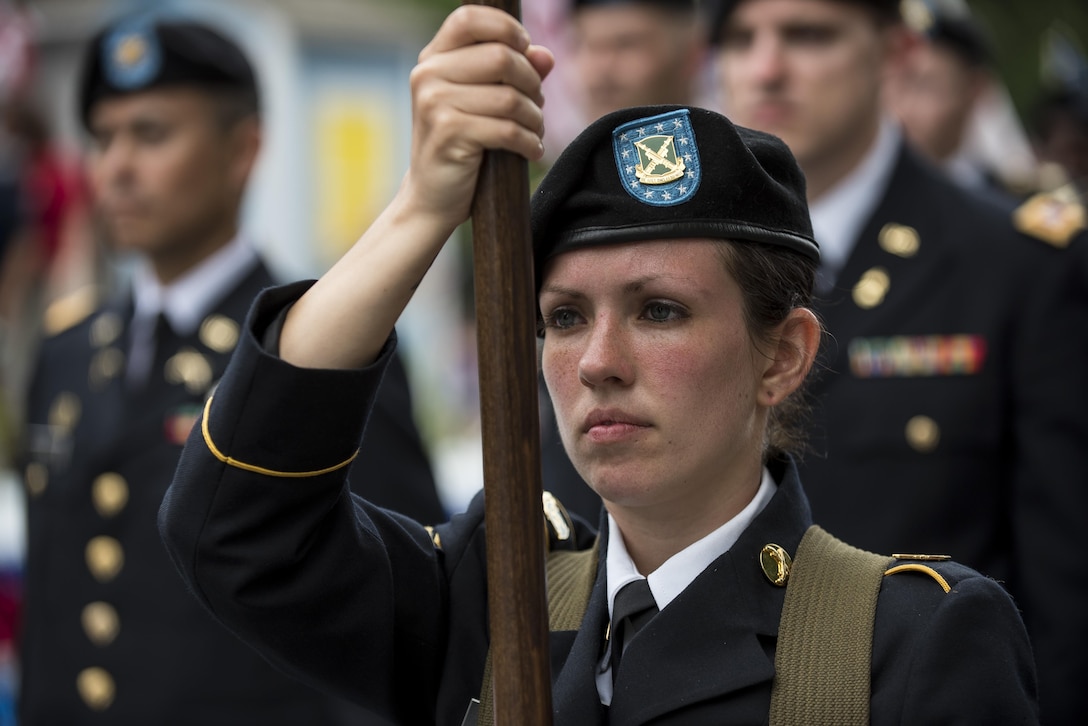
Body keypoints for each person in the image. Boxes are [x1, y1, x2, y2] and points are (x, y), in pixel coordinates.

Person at [158, 6, 1038, 723]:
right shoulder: (496, 599)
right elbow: (237, 529)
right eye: (565, 318)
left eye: (660, 310)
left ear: (784, 355)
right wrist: (423, 207)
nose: (599, 363)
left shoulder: (907, 642)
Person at [20, 16, 442, 724]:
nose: (117, 167)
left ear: (243, 149)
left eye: (151, 135)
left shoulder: (313, 351)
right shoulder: (68, 351)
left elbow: (403, 613)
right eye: (102, 138)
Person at [707, 0, 1088, 722]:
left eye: (807, 34)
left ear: (898, 53)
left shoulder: (1016, 265)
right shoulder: (667, 274)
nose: (765, 67)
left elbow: (1065, 598)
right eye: (739, 38)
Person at [541, 0, 710, 521]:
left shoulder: (738, 192)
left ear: (690, 56)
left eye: (626, 45)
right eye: (587, 46)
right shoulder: (549, 203)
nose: (601, 69)